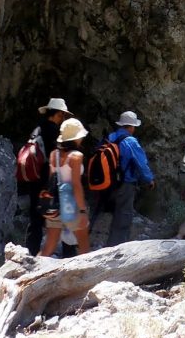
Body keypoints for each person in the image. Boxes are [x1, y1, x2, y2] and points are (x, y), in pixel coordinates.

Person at [90, 110, 155, 246]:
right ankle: (115, 249)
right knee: (123, 217)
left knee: (100, 213)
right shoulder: (130, 141)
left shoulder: (109, 137)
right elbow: (141, 164)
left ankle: (87, 240)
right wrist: (149, 180)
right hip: (125, 184)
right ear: (131, 127)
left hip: (105, 183)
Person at [19, 97, 68, 255]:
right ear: (58, 114)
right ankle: (47, 253)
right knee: (52, 217)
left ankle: (30, 252)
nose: (63, 119)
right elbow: (55, 157)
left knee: (35, 218)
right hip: (46, 180)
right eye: (62, 115)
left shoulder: (37, 128)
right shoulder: (53, 130)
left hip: (34, 179)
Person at [39, 118, 91, 258]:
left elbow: (52, 180)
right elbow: (76, 184)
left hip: (55, 205)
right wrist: (82, 210)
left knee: (49, 246)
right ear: (76, 138)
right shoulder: (76, 156)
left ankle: (31, 271)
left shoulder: (53, 154)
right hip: (71, 205)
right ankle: (86, 276)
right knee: (84, 246)